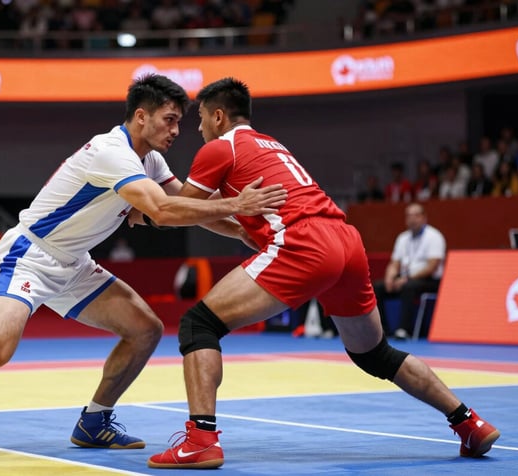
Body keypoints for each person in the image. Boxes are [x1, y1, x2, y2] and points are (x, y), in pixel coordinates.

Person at [0, 74, 286, 468]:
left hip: (74, 263)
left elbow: (190, 206)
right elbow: (163, 210)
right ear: (141, 116)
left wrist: (243, 232)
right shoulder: (111, 152)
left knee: (145, 330)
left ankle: (94, 421)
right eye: (169, 120)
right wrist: (237, 204)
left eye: (179, 122)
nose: (176, 131)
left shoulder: (151, 161)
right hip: (29, 255)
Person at [147, 78, 499, 470]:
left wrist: (141, 207)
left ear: (218, 116)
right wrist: (238, 224)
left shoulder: (218, 148)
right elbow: (210, 211)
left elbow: (179, 211)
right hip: (346, 240)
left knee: (199, 325)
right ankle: (469, 422)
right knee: (376, 354)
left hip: (304, 243)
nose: (197, 128)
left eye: (199, 119)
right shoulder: (271, 145)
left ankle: (201, 441)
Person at [373, 203, 445, 340]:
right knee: (378, 287)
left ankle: (403, 329)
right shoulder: (402, 238)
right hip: (405, 278)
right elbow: (394, 263)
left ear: (424, 218)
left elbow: (432, 267)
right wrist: (390, 277)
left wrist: (407, 279)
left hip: (429, 280)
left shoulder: (434, 236)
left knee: (408, 287)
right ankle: (382, 330)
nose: (412, 219)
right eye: (409, 216)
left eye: (416, 216)